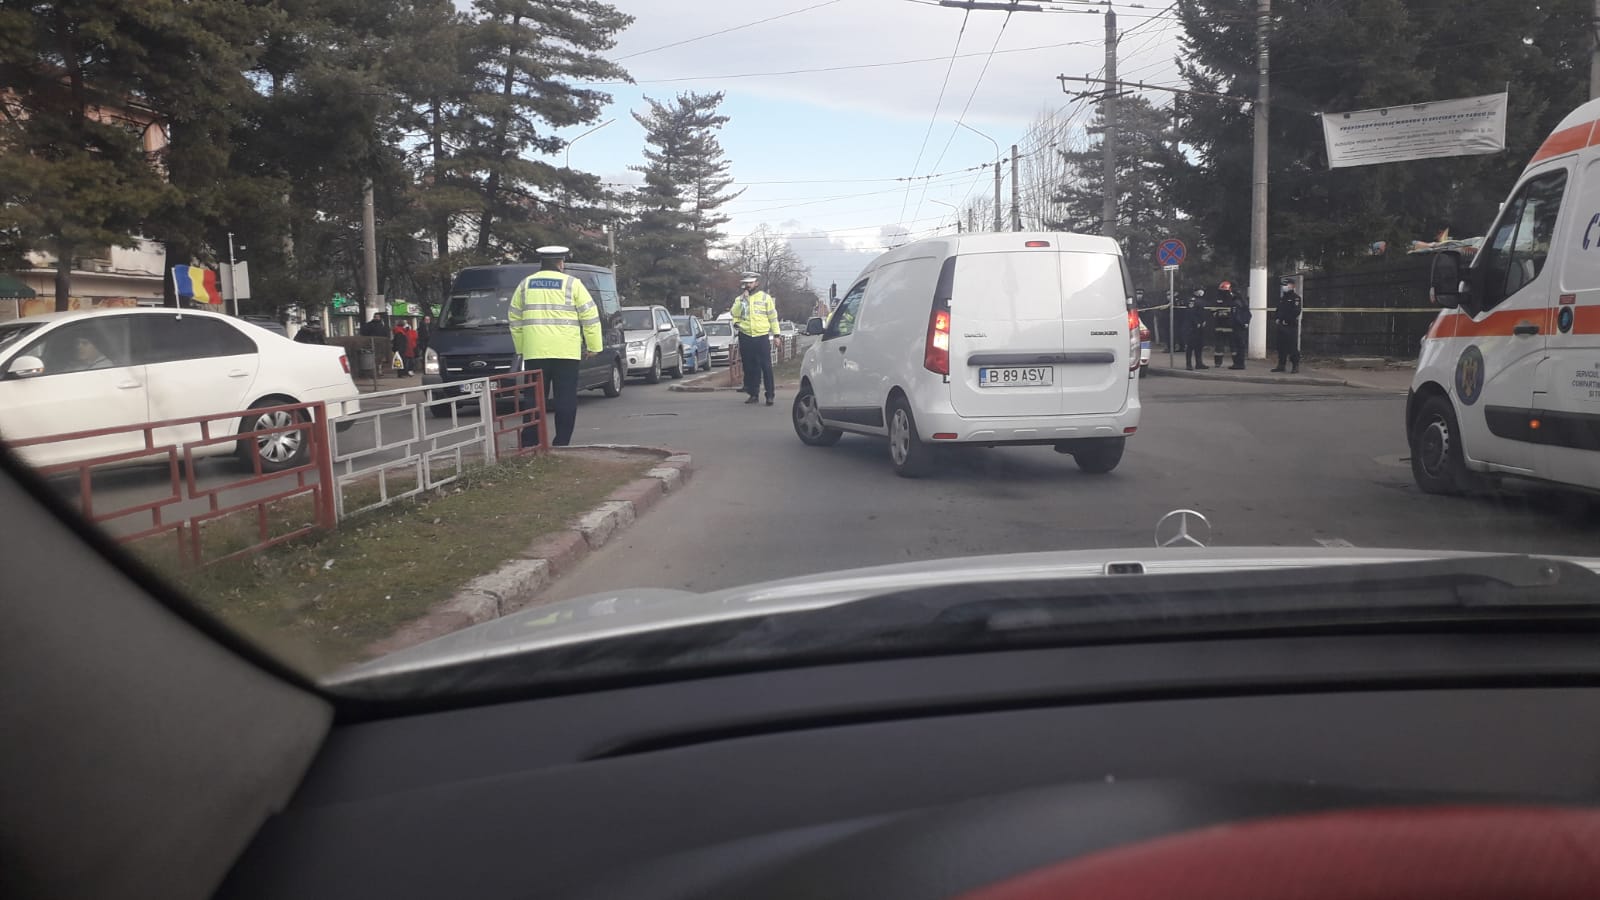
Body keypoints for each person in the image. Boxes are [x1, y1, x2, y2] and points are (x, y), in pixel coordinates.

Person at [509, 245, 603, 447]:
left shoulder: (525, 285)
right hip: (566, 352)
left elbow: (514, 319)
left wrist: (522, 348)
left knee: (533, 399)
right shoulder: (572, 284)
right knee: (565, 399)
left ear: (541, 263)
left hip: (535, 352)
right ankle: (562, 442)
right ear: (561, 263)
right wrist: (593, 346)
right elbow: (590, 315)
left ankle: (531, 442)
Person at [731, 271, 780, 405]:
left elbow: (773, 317)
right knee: (750, 367)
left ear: (756, 283)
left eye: (750, 283)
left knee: (766, 366)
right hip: (746, 335)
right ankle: (753, 394)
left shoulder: (765, 298)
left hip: (761, 336)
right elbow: (734, 313)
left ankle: (770, 395)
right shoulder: (739, 299)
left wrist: (776, 335)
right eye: (746, 283)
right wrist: (743, 300)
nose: (748, 285)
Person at [1271, 278, 1302, 374]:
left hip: (1290, 326)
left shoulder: (1296, 298)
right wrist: (1277, 318)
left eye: (1286, 285)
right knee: (1281, 346)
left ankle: (1295, 365)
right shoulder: (1282, 298)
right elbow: (1278, 310)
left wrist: (1286, 320)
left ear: (1292, 286)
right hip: (1281, 325)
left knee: (1292, 347)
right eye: (1283, 285)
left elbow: (1296, 311)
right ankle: (1281, 365)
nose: (1284, 287)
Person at [1211, 280, 1243, 370]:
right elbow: (1213, 310)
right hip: (1219, 325)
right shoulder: (1217, 299)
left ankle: (1236, 363)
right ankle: (1218, 362)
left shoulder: (1233, 299)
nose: (1223, 293)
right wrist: (1218, 314)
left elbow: (1235, 311)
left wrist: (1227, 315)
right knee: (1219, 346)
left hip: (1230, 325)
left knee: (1233, 346)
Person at [1185, 289, 1209, 371]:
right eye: (1199, 290)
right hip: (1192, 327)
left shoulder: (1201, 300)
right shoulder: (1192, 300)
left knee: (1199, 345)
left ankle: (1199, 363)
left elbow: (1203, 312)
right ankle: (1188, 364)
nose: (1201, 292)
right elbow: (1191, 313)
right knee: (1190, 345)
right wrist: (1196, 322)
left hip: (1201, 326)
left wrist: (1204, 321)